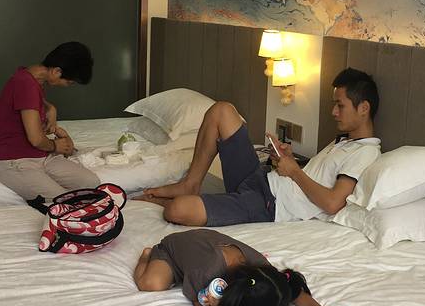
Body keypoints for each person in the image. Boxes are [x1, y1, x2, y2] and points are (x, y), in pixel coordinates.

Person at [141, 67, 380, 227]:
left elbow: (333, 203)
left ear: (364, 108)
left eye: (340, 105)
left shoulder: (366, 152)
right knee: (221, 110)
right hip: (262, 179)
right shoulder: (345, 140)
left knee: (177, 210)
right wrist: (290, 162)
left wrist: (293, 172)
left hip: (268, 205)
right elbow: (318, 176)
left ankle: (181, 199)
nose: (334, 112)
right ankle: (190, 184)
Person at [133, 228, 337, 306]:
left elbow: (289, 286)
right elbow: (198, 301)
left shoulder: (262, 269)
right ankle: (146, 257)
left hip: (203, 242)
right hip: (173, 250)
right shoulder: (206, 272)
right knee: (151, 284)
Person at [0, 42, 98, 206]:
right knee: (64, 203)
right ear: (57, 71)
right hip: (14, 161)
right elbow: (36, 139)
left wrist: (50, 108)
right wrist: (56, 146)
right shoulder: (25, 84)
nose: (67, 86)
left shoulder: (32, 78)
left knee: (91, 183)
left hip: (41, 156)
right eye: (69, 82)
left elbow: (25, 102)